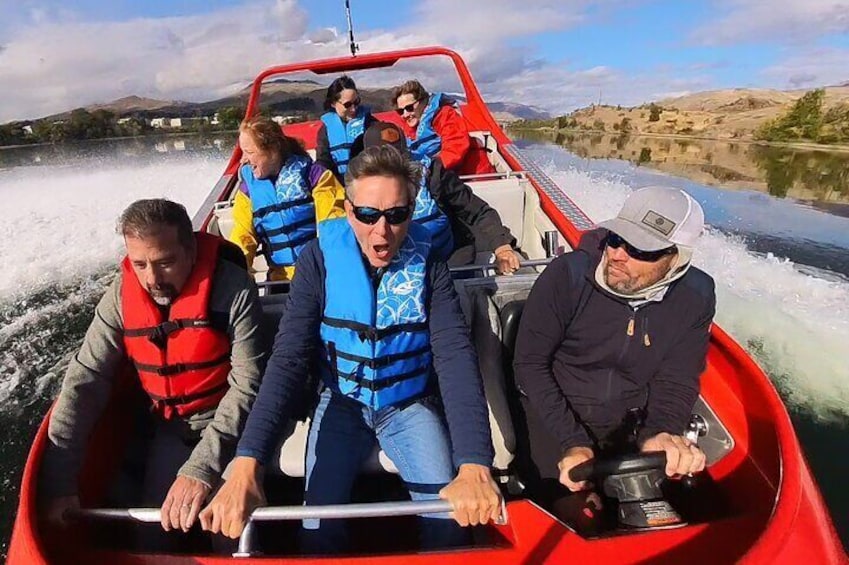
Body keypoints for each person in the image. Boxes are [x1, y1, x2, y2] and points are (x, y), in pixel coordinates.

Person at [199, 145, 502, 551]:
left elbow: (455, 358)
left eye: (397, 215)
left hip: (408, 405)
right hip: (340, 402)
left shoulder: (429, 263)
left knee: (449, 526)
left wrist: (475, 463)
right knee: (317, 532)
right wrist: (247, 459)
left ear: (412, 210)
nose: (383, 231)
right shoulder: (319, 259)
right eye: (367, 215)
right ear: (346, 208)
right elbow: (288, 358)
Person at [40, 199, 265, 546]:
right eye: (140, 264)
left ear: (190, 251)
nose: (152, 279)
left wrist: (201, 467)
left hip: (233, 431)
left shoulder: (233, 289)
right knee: (150, 540)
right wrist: (60, 484)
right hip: (171, 430)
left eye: (165, 262)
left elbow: (248, 386)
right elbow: (86, 380)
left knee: (230, 537)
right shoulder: (120, 296)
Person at [513, 186, 715, 519]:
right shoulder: (567, 276)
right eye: (616, 239)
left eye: (640, 250)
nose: (618, 254)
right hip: (551, 414)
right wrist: (572, 441)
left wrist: (661, 431)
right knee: (581, 519)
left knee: (691, 514)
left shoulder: (696, 296)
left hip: (630, 419)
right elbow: (529, 366)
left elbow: (677, 378)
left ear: (676, 257)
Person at [358, 121, 520, 273]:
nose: (393, 165)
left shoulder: (434, 174)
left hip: (447, 259)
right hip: (392, 264)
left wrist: (502, 247)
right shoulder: (360, 186)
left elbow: (478, 211)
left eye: (398, 156)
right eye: (383, 160)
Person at [229, 115, 346, 282]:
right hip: (279, 280)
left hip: (318, 274)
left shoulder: (316, 177)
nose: (243, 160)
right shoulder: (248, 190)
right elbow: (243, 237)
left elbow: (333, 226)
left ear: (273, 149)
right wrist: (236, 274)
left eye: (249, 152)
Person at [392, 79, 495, 176]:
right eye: (400, 111)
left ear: (423, 102)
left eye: (409, 108)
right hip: (439, 178)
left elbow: (455, 147)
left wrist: (427, 170)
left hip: (471, 177)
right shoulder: (408, 128)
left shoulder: (445, 115)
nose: (405, 114)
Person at [315, 75, 375, 182]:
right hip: (339, 185)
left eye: (356, 102)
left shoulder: (370, 123)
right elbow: (323, 161)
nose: (353, 109)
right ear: (333, 103)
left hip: (367, 182)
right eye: (347, 105)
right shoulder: (325, 130)